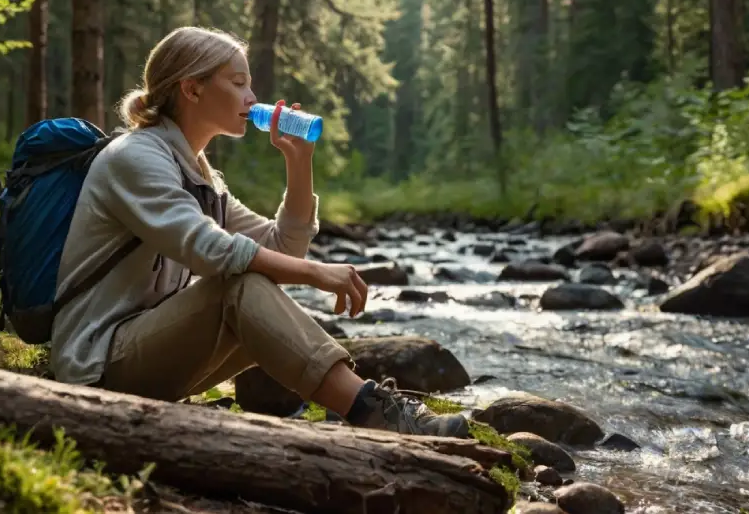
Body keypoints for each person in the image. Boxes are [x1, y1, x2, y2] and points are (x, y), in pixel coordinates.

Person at [47, 26, 469, 438]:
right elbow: (212, 250)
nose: (252, 97)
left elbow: (282, 247)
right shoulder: (136, 157)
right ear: (192, 89)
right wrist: (318, 274)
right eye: (237, 83)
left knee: (253, 281)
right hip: (96, 364)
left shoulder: (199, 173)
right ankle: (372, 411)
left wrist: (299, 163)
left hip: (146, 352)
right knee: (238, 286)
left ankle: (358, 407)